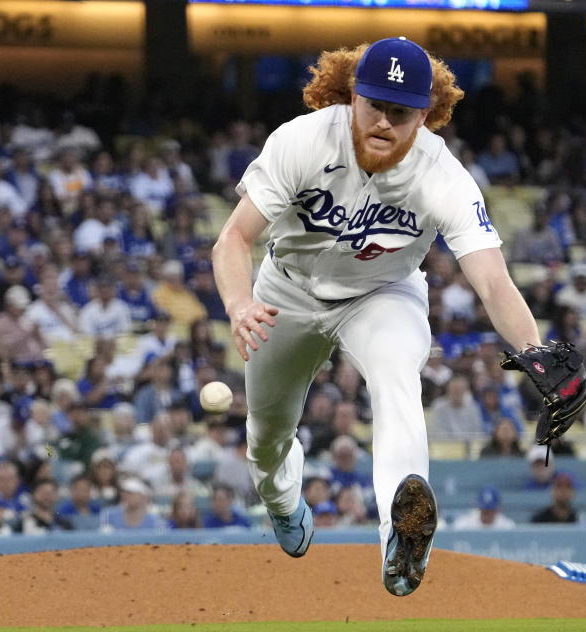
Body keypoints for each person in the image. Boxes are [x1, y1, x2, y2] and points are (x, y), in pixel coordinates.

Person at [211, 37, 545, 597]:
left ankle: (403, 535)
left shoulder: (441, 173)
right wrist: (240, 305)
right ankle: (282, 499)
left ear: (425, 114)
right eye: (374, 105)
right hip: (284, 292)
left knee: (397, 379)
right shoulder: (302, 139)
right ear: (351, 97)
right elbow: (233, 237)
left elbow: (491, 278)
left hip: (382, 295)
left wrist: (533, 348)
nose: (385, 121)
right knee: (267, 434)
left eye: (401, 111)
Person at [451, 485, 516, 530]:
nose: (488, 514)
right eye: (485, 511)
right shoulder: (465, 524)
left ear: (498, 508)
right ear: (478, 507)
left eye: (491, 511)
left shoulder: (507, 526)